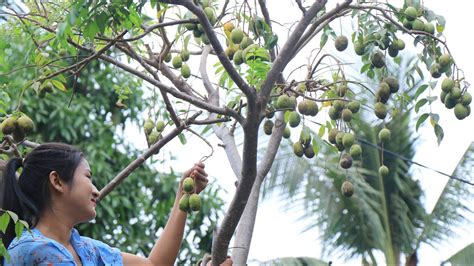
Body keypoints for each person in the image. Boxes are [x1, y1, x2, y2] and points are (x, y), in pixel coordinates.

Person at [1, 142, 232, 265]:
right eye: (88, 177)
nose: (96, 190)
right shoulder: (37, 250)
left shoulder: (84, 249)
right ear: (57, 181)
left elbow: (154, 265)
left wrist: (183, 193)